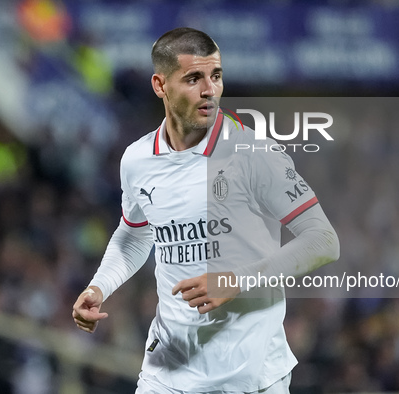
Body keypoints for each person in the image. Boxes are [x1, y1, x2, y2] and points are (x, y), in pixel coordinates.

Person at [72, 27, 340, 394]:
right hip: (167, 371)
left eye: (215, 76)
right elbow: (136, 232)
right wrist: (100, 286)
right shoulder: (137, 160)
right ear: (160, 85)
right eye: (194, 78)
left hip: (251, 375)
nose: (209, 90)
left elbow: (323, 240)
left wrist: (235, 280)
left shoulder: (254, 154)